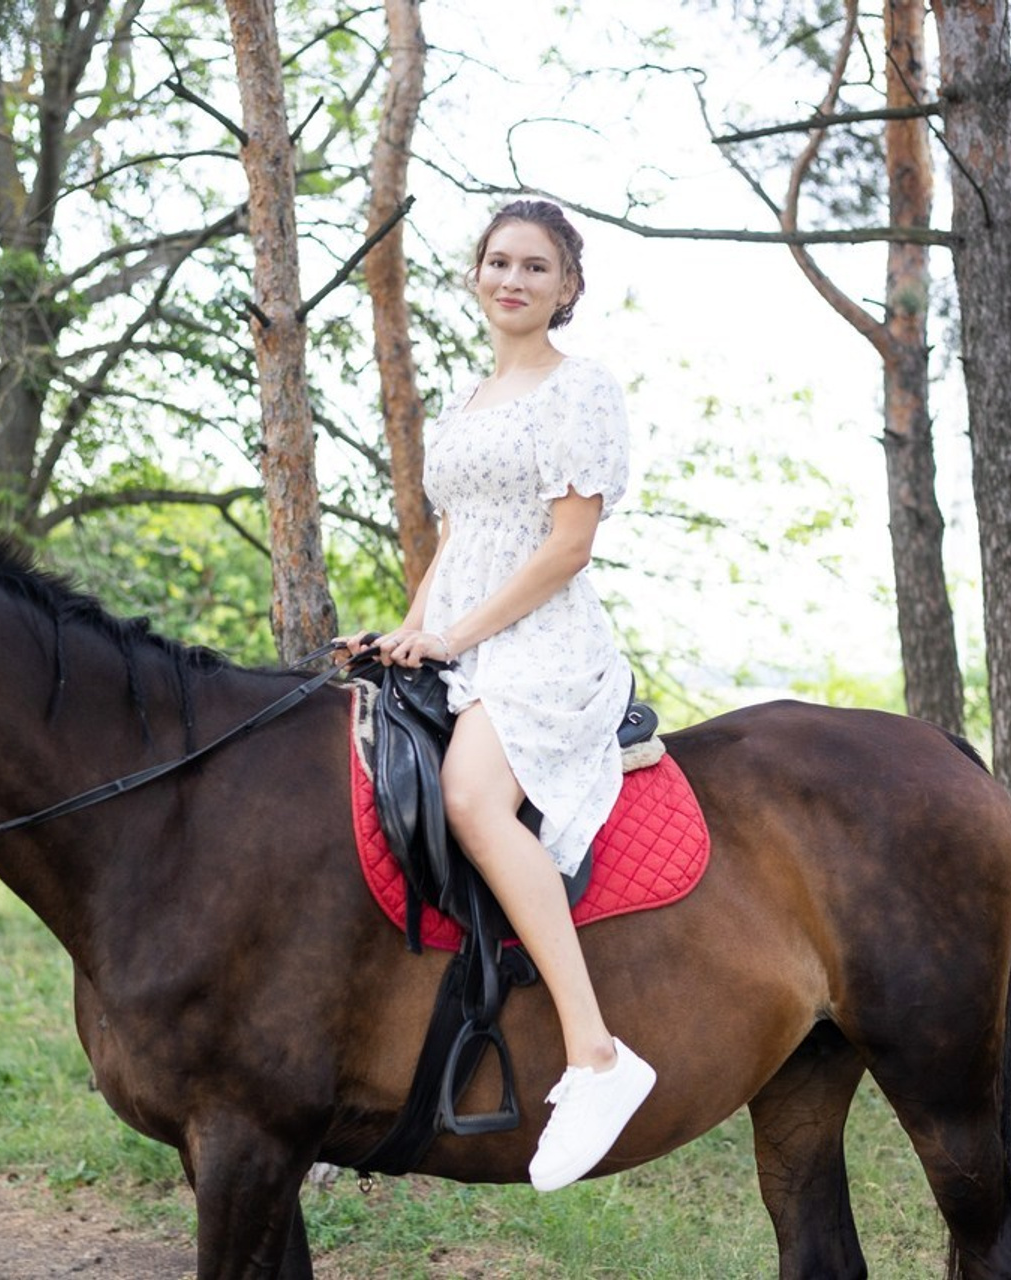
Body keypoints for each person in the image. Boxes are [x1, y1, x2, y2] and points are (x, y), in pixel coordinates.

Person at [341, 199, 655, 1192]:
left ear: (565, 286)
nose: (510, 278)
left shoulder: (579, 389)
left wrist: (457, 635)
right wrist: (408, 630)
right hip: (464, 637)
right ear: (476, 275)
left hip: (543, 644)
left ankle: (596, 1054)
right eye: (496, 261)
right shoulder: (472, 397)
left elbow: (566, 546)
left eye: (534, 265)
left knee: (473, 796)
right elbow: (456, 542)